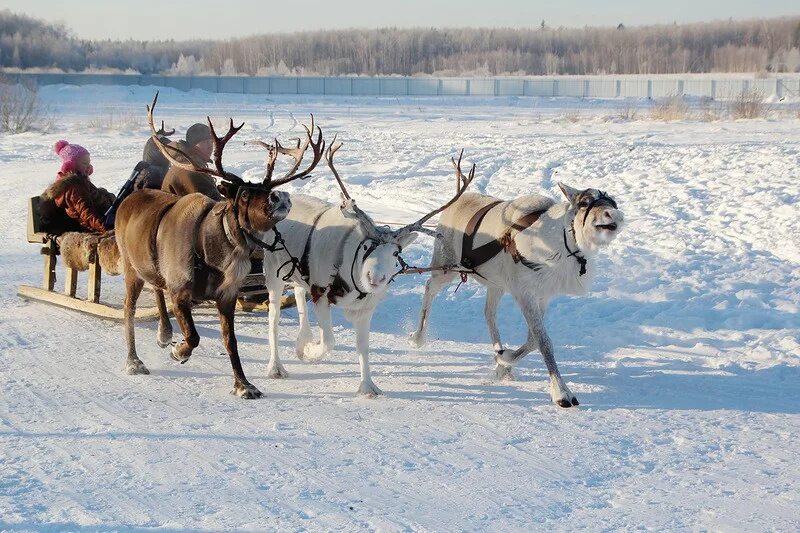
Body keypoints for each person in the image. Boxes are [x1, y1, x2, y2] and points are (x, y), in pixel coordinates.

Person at [39, 140, 115, 234]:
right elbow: (87, 215)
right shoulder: (75, 188)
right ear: (70, 165)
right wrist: (109, 229)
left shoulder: (81, 181)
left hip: (96, 224)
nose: (89, 167)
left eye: (89, 163)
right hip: (89, 229)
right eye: (84, 163)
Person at [160, 122, 222, 200]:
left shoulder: (189, 164)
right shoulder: (190, 169)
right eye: (204, 142)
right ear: (193, 146)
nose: (210, 146)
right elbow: (213, 204)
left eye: (211, 142)